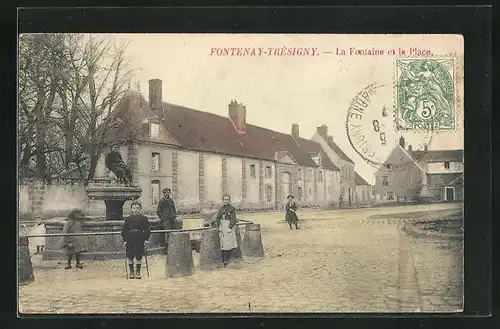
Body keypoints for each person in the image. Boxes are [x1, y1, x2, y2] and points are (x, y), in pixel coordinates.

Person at [121, 201, 151, 279]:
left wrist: (146, 239)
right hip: (130, 238)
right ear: (131, 209)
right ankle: (131, 272)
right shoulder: (128, 219)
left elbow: (147, 229)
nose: (136, 210)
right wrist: (125, 240)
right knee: (130, 255)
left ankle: (138, 271)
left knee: (139, 255)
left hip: (139, 238)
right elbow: (124, 230)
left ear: (140, 209)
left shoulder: (144, 218)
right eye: (134, 208)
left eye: (137, 208)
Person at [215, 194, 238, 267]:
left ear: (229, 200)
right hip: (222, 227)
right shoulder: (221, 209)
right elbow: (217, 218)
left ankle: (226, 259)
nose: (226, 201)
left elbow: (233, 219)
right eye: (225, 199)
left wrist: (230, 227)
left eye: (228, 199)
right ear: (223, 200)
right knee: (222, 243)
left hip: (228, 227)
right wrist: (219, 226)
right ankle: (222, 258)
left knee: (228, 244)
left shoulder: (232, 209)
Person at [156, 188, 178, 254]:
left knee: (173, 233)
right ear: (164, 193)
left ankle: (173, 248)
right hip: (166, 220)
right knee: (167, 234)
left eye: (168, 192)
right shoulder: (162, 201)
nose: (167, 194)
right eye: (165, 193)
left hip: (172, 219)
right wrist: (163, 218)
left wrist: (174, 215)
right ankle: (166, 249)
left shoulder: (171, 200)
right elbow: (158, 212)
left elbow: (174, 209)